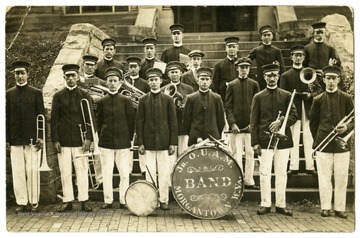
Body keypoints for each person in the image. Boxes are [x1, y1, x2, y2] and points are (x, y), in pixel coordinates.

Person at [250, 63, 297, 216]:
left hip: (283, 141)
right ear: (264, 77)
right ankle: (265, 203)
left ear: (278, 76)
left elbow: (294, 116)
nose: (271, 78)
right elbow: (254, 122)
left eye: (274, 75)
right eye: (268, 75)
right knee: (264, 173)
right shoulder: (258, 96)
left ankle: (281, 204)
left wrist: (281, 122)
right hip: (264, 140)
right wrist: (255, 142)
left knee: (282, 172)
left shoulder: (286, 95)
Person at [309, 65, 354, 219]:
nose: (331, 82)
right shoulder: (318, 99)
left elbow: (355, 120)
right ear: (323, 80)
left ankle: (340, 208)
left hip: (342, 145)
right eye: (328, 78)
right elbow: (313, 123)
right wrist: (318, 139)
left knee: (341, 177)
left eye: (334, 78)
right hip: (324, 143)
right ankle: (325, 207)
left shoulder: (346, 98)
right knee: (324, 177)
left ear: (339, 80)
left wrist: (346, 127)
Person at [51, 64, 94, 212]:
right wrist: (55, 140)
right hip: (63, 141)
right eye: (67, 76)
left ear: (77, 77)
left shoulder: (84, 95)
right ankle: (68, 200)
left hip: (80, 140)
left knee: (82, 170)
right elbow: (54, 120)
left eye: (73, 76)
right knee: (65, 171)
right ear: (64, 78)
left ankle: (84, 200)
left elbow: (90, 118)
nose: (70, 79)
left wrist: (89, 138)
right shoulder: (58, 96)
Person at [6, 60, 45, 214]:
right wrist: (6, 139)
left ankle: (34, 202)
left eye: (22, 73)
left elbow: (41, 115)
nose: (20, 76)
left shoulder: (36, 93)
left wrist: (41, 137)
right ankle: (22, 202)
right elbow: (6, 118)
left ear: (28, 74)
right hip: (15, 139)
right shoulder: (9, 94)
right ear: (14, 75)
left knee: (32, 170)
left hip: (32, 139)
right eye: (17, 73)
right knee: (18, 172)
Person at [136, 67, 178, 211]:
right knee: (150, 173)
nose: (154, 83)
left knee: (165, 172)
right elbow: (139, 122)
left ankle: (164, 200)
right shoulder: (143, 100)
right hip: (148, 143)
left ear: (160, 81)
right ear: (148, 83)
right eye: (151, 80)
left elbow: (173, 122)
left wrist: (173, 142)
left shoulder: (168, 99)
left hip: (165, 143)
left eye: (156, 80)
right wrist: (140, 142)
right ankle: (151, 200)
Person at [280, 45, 323, 176]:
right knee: (293, 137)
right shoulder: (286, 75)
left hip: (309, 107)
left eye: (301, 56)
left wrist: (311, 95)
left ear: (304, 57)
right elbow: (282, 93)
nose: (298, 58)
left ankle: (310, 166)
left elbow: (320, 91)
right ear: (291, 57)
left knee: (309, 137)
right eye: (296, 55)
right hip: (294, 108)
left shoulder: (310, 73)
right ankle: (293, 166)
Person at [96, 67, 135, 209]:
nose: (112, 83)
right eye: (110, 81)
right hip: (106, 142)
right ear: (106, 83)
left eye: (115, 81)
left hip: (123, 142)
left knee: (124, 172)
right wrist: (102, 137)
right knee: (107, 171)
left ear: (119, 83)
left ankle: (124, 199)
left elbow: (131, 122)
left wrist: (129, 139)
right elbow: (98, 123)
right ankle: (108, 199)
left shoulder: (126, 100)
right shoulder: (101, 101)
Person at [225, 57, 260, 190]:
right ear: (237, 68)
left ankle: (249, 180)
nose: (244, 70)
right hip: (236, 128)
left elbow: (258, 106)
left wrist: (254, 123)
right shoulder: (232, 85)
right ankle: (237, 180)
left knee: (250, 153)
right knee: (236, 153)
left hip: (251, 126)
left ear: (249, 69)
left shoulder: (254, 84)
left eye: (246, 67)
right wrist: (232, 123)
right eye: (241, 67)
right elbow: (228, 106)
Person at [162, 61, 194, 177]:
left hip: (183, 127)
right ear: (168, 74)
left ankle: (184, 178)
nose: (174, 74)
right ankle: (171, 179)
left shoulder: (189, 89)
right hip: (169, 128)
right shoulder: (163, 89)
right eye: (171, 72)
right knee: (170, 157)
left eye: (176, 72)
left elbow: (192, 108)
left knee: (184, 154)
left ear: (181, 73)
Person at [183, 67, 225, 146]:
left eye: (207, 79)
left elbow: (221, 121)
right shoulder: (191, 98)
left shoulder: (217, 98)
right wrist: (193, 134)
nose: (204, 82)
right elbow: (186, 121)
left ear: (210, 82)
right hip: (195, 138)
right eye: (202, 79)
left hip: (213, 137)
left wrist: (215, 134)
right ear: (198, 81)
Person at [247, 25, 285, 90]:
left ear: (272, 36)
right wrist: (252, 74)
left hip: (272, 78)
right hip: (260, 79)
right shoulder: (256, 50)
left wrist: (280, 79)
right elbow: (247, 61)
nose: (267, 37)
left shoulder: (277, 51)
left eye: (269, 35)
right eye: (264, 35)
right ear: (261, 37)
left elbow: (282, 67)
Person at [213, 36, 239, 102]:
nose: (231, 49)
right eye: (229, 47)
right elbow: (215, 83)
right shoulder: (219, 65)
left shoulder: (242, 64)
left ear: (237, 48)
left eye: (233, 47)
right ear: (226, 48)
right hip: (224, 96)